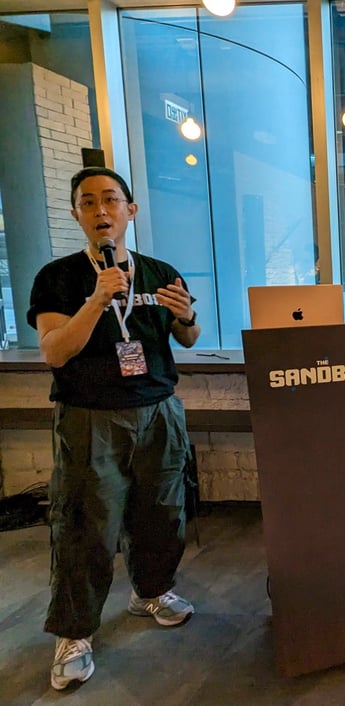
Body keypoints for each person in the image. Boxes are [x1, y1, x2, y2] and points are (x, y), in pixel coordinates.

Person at [27, 166, 200, 691]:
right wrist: (97, 300)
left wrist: (186, 315)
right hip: (91, 418)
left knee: (162, 512)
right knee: (85, 526)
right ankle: (74, 632)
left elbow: (188, 339)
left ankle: (151, 592)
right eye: (88, 202)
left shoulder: (160, 272)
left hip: (158, 409)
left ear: (131, 210)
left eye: (110, 200)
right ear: (76, 214)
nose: (101, 210)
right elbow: (55, 351)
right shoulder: (58, 277)